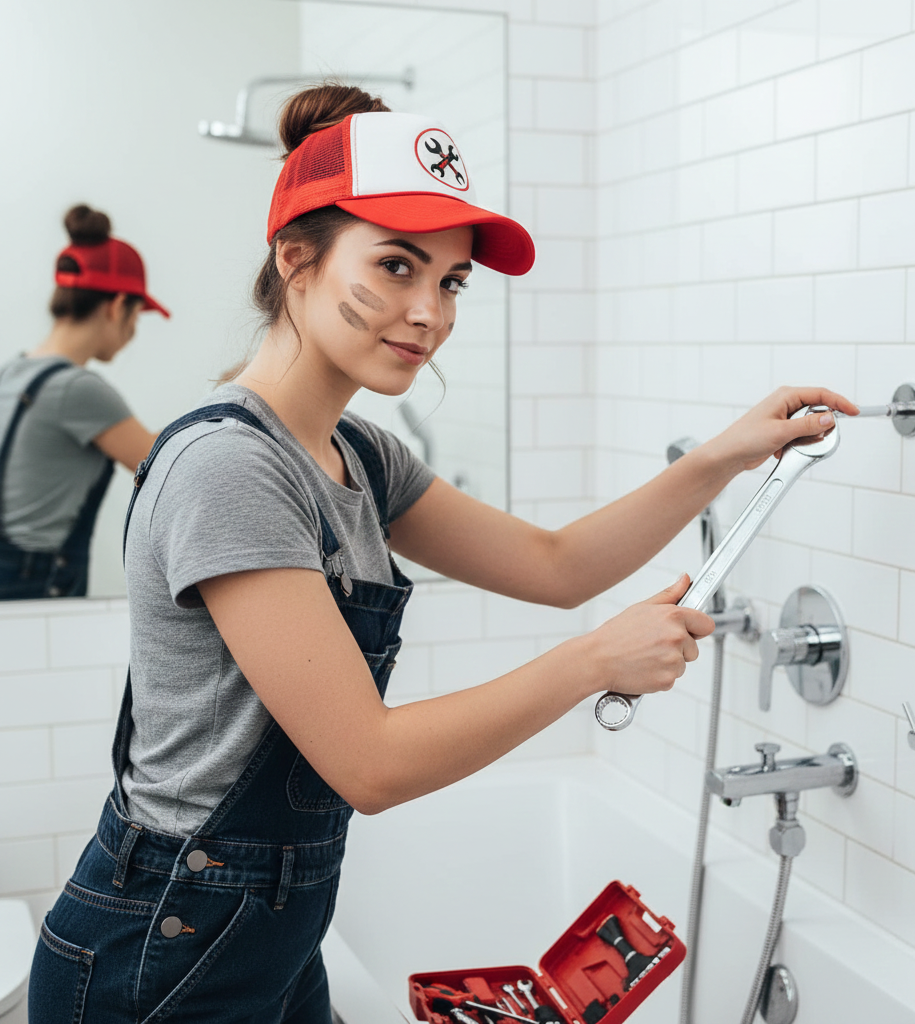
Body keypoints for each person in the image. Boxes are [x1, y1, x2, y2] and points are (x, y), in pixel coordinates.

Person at [27, 85, 857, 1022]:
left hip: (270, 934)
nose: (429, 312)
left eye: (451, 281)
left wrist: (722, 457)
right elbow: (368, 766)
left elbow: (554, 565)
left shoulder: (360, 456)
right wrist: (596, 661)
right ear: (295, 259)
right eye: (394, 266)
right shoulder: (231, 469)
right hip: (165, 948)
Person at [0, 205, 167, 600]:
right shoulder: (78, 389)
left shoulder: (13, 372)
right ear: (116, 305)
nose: (132, 333)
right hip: (34, 583)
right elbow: (162, 460)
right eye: (136, 316)